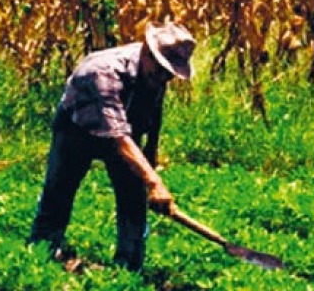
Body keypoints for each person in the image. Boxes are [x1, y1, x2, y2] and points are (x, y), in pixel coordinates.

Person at [28, 21, 195, 271]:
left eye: (169, 74)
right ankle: (40, 254)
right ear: (147, 54)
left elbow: (153, 113)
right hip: (77, 128)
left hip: (124, 128)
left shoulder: (156, 76)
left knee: (133, 199)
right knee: (59, 190)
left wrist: (150, 158)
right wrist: (154, 182)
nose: (164, 79)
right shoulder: (102, 72)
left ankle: (129, 268)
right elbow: (117, 137)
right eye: (161, 71)